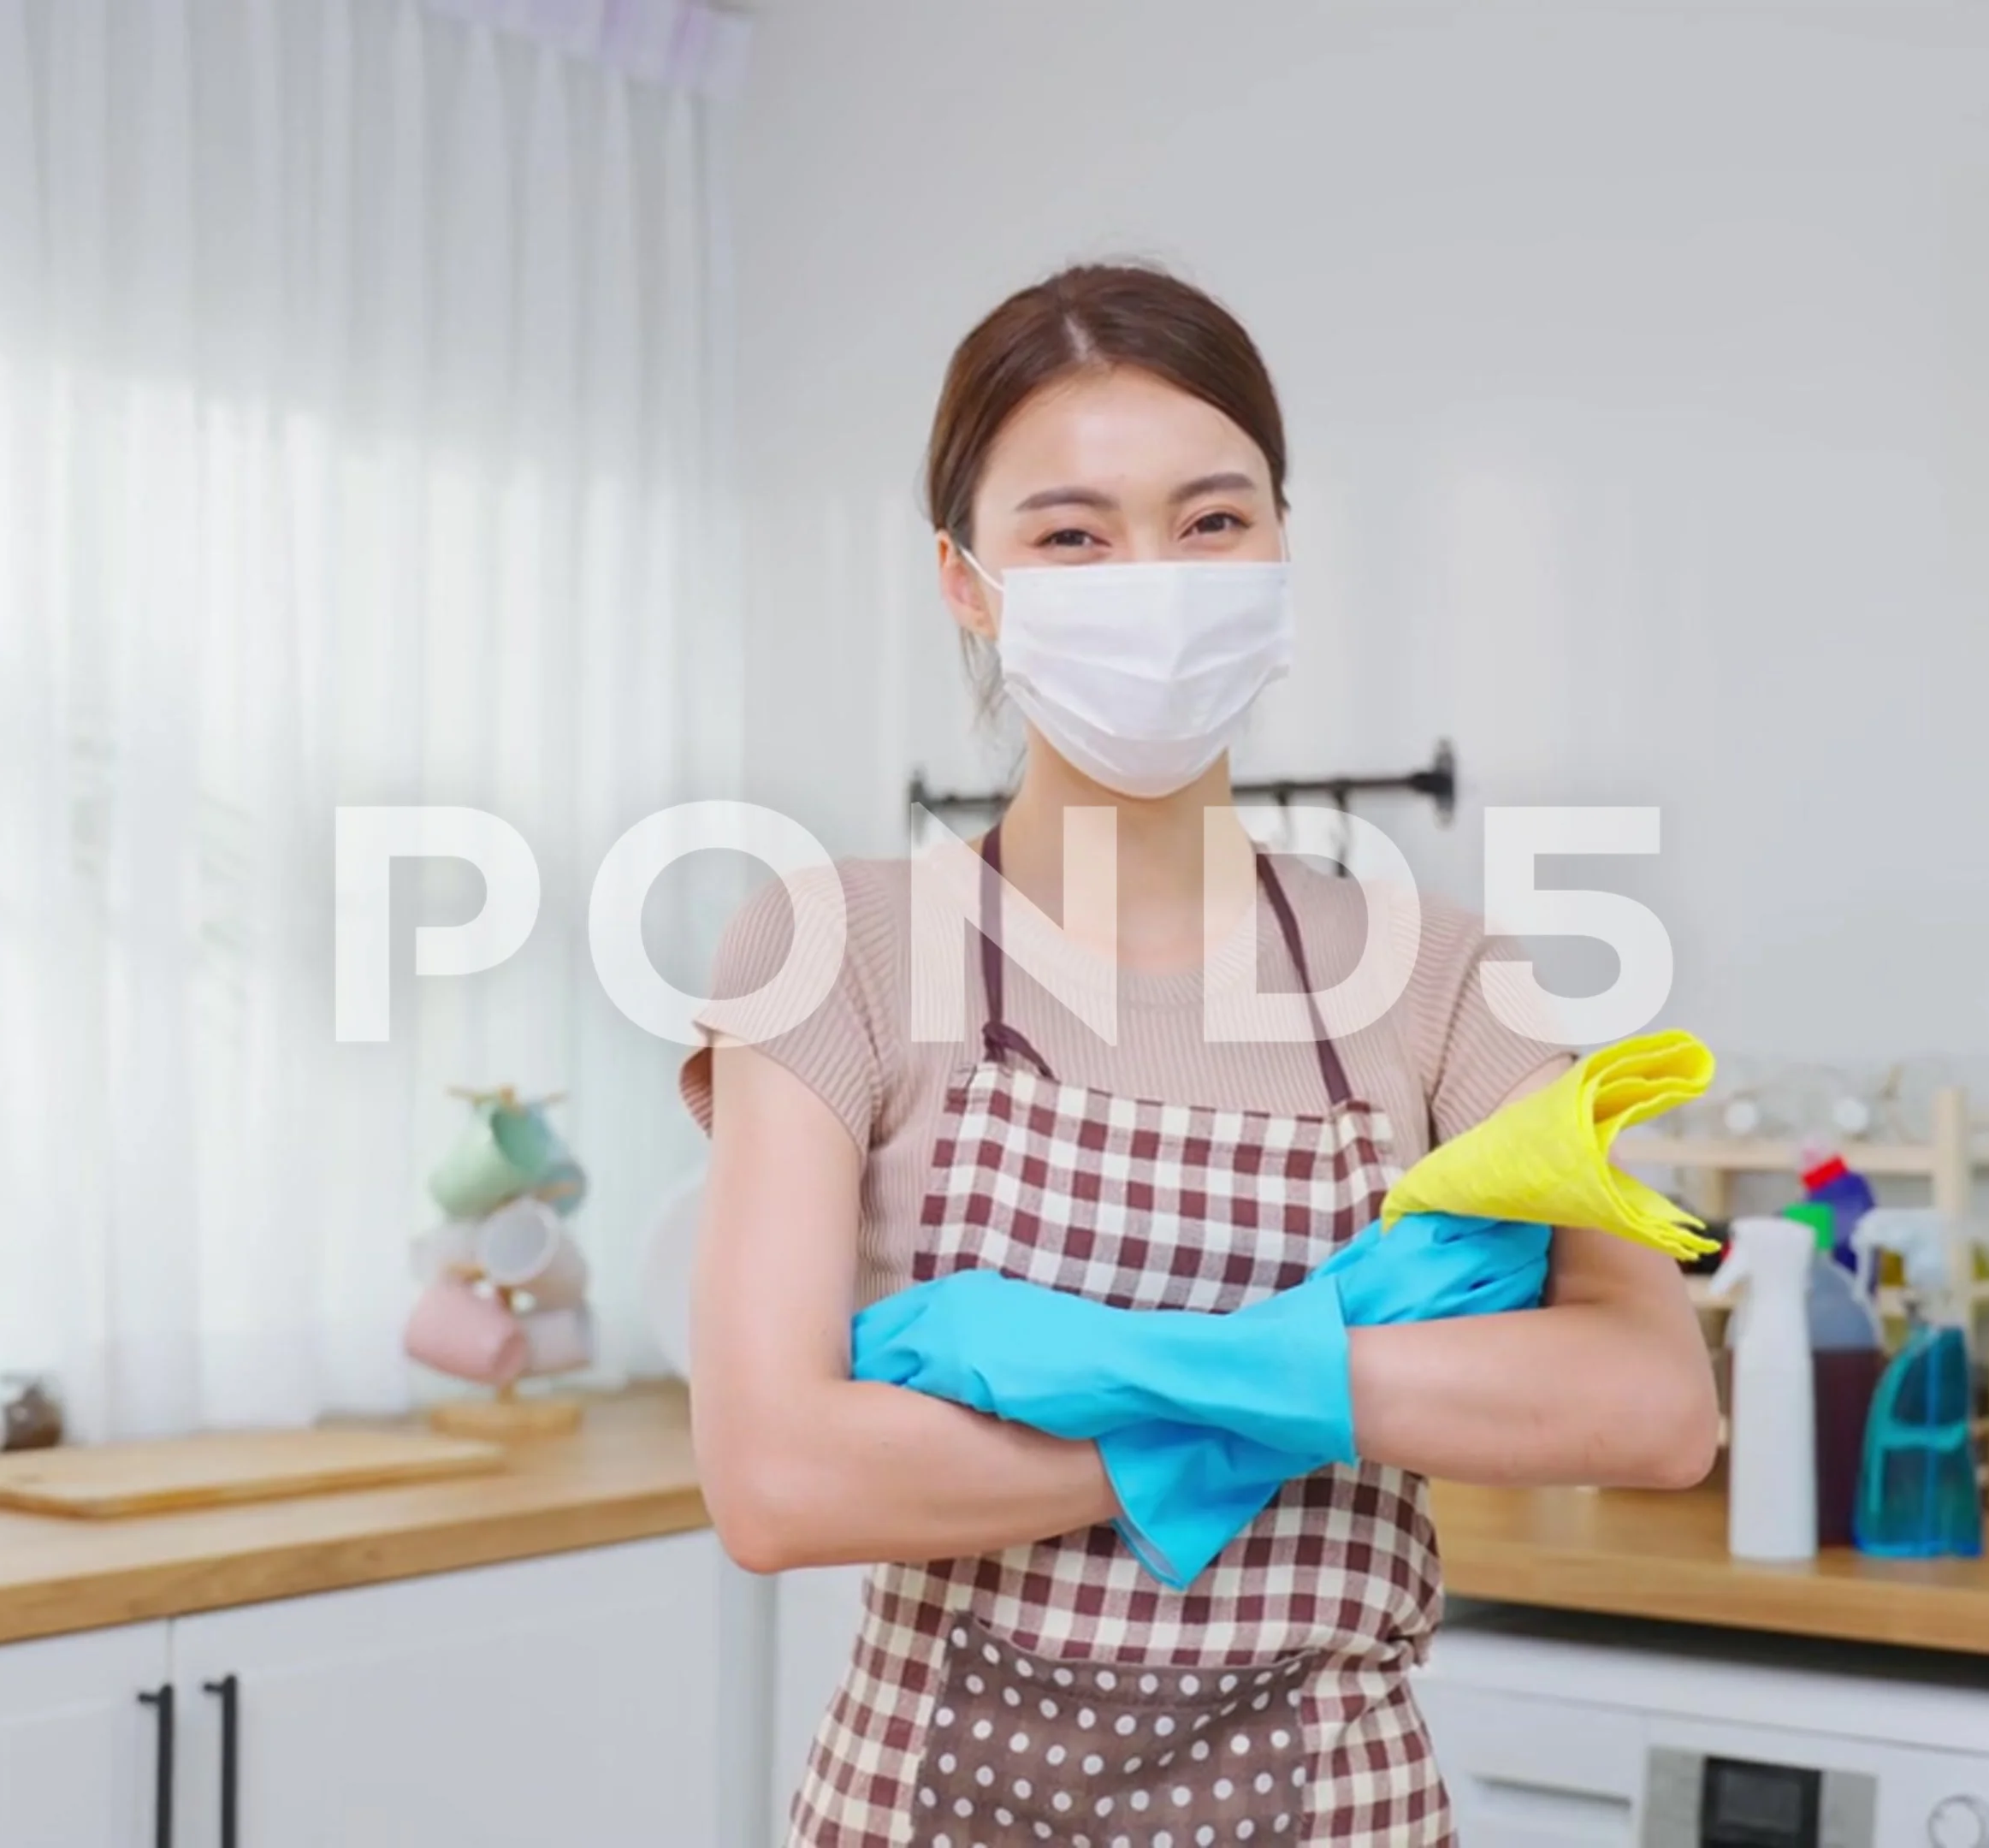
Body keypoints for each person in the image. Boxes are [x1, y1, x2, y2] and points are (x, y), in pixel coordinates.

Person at [683, 263, 1718, 1847]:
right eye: (1073, 534)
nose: (1151, 577)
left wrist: (1103, 1372)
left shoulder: (1443, 978)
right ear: (968, 582)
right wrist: (1330, 1373)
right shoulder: (838, 950)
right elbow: (780, 1481)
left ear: (1283, 551)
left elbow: (1651, 1407)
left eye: (1212, 521)